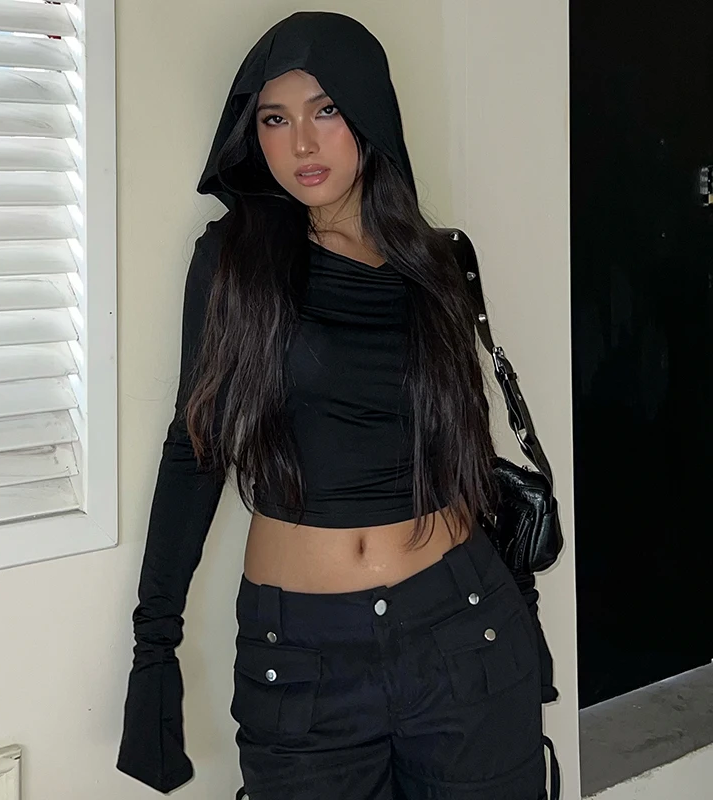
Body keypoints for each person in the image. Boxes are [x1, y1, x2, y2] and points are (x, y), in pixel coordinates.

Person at [117, 10, 558, 799]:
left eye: (325, 110)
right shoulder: (232, 262)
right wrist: (155, 644)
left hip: (463, 628)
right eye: (274, 119)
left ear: (368, 112)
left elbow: (465, 450)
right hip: (304, 659)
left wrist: (521, 606)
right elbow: (195, 448)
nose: (302, 143)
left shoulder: (439, 261)